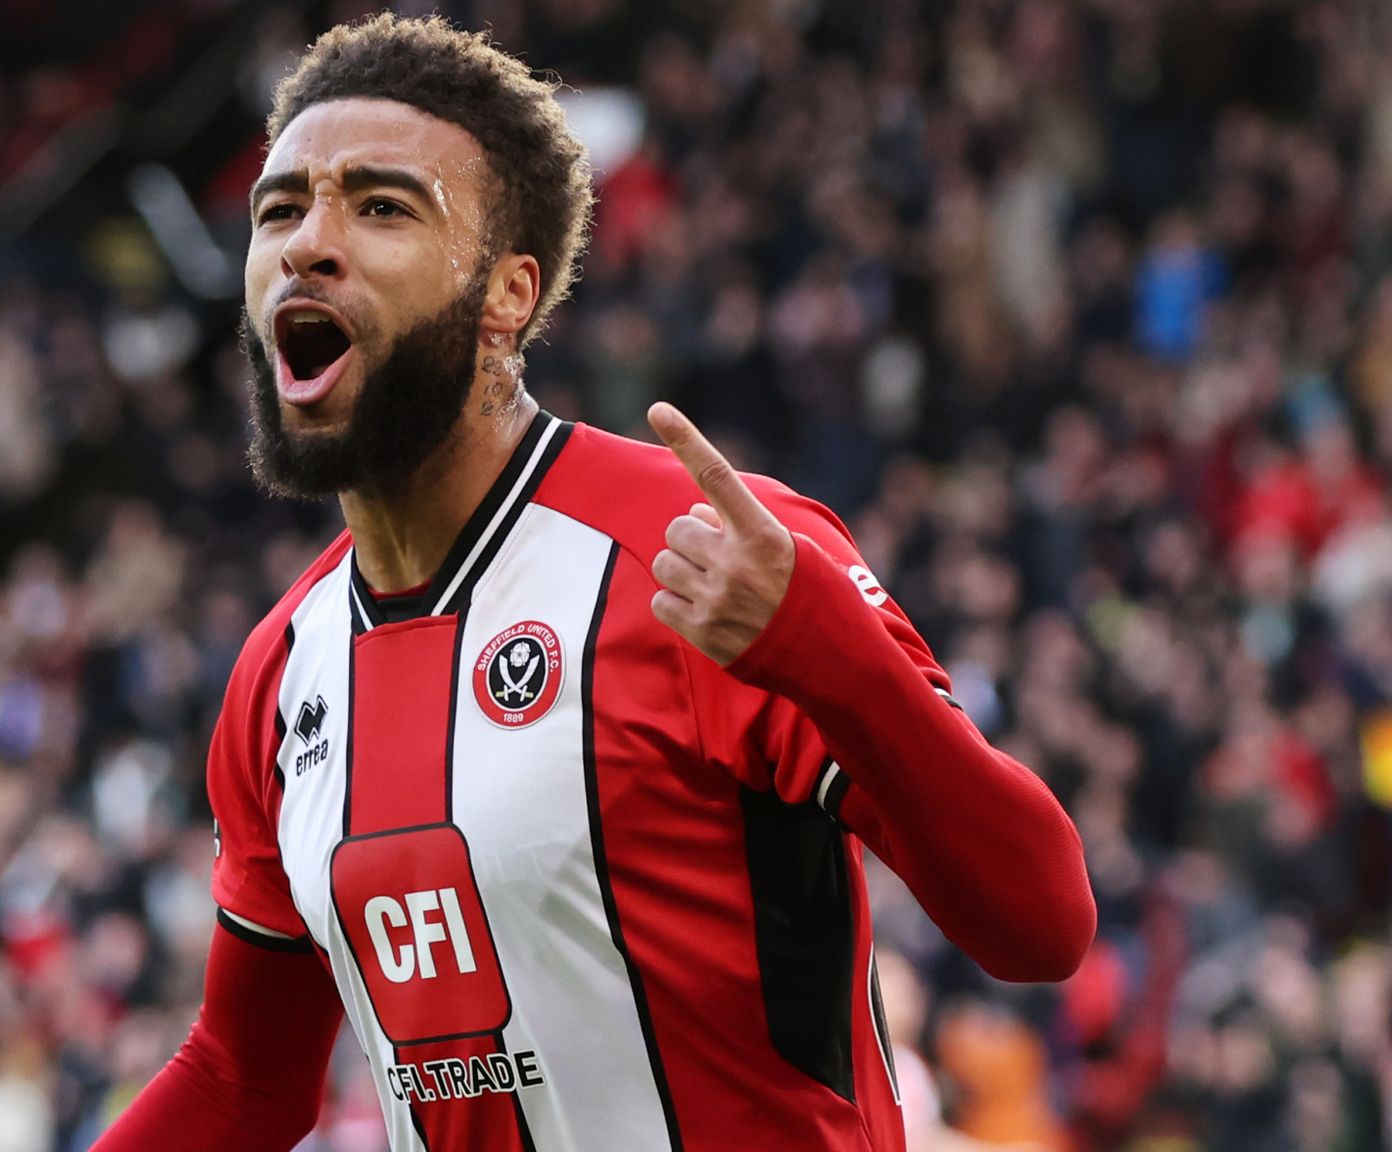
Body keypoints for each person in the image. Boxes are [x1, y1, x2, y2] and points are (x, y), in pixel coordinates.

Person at [97, 15, 1094, 1151]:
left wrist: (825, 649)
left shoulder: (709, 553)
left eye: (380, 207)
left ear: (506, 296)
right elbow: (242, 1076)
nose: (305, 245)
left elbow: (1039, 927)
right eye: (279, 209)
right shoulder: (283, 674)